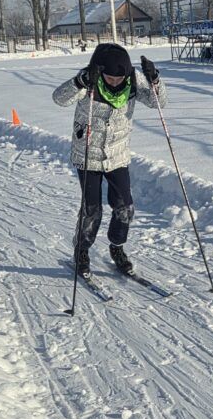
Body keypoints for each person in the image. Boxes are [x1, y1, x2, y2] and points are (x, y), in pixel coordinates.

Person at [52, 44, 167, 278]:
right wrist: (80, 81)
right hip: (88, 156)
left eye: (119, 78)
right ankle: (82, 251)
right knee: (91, 209)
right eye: (110, 77)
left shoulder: (133, 81)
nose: (115, 82)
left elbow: (158, 102)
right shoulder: (90, 80)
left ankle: (117, 247)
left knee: (125, 207)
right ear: (100, 71)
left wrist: (155, 80)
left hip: (117, 156)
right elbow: (59, 98)